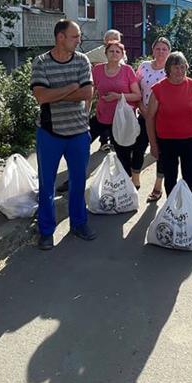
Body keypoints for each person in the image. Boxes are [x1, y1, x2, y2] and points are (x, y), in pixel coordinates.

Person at [30, 20, 97, 251]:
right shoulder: (41, 62)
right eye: (75, 36)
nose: (79, 40)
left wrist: (56, 92)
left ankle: (79, 223)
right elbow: (41, 97)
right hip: (50, 132)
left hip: (78, 132)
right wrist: (70, 88)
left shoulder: (82, 60)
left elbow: (87, 91)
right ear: (60, 37)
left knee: (78, 182)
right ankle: (46, 231)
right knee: (46, 184)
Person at [145, 52, 192, 195]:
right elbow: (149, 118)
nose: (180, 71)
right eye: (176, 67)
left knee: (190, 177)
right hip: (167, 141)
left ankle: (188, 206)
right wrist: (153, 145)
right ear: (168, 69)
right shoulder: (158, 89)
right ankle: (172, 208)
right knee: (170, 178)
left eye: (183, 67)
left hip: (191, 140)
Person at [91, 41, 141, 178]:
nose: (114, 54)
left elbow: (137, 95)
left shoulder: (127, 70)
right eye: (111, 51)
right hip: (102, 116)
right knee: (81, 145)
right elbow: (91, 92)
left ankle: (125, 183)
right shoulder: (97, 70)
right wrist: (85, 111)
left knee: (123, 153)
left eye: (117, 51)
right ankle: (74, 178)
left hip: (121, 119)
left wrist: (118, 96)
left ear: (122, 55)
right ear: (106, 53)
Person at [136, 37, 171, 202]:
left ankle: (158, 186)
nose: (161, 52)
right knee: (138, 147)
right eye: (158, 48)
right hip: (143, 114)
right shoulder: (143, 66)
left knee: (162, 152)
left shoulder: (172, 69)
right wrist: (141, 108)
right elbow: (135, 88)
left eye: (164, 49)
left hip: (163, 118)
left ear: (169, 52)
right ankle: (134, 182)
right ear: (153, 50)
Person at [88, 30, 123, 150]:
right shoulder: (99, 52)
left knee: (114, 120)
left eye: (117, 38)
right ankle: (104, 142)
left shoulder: (120, 51)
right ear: (105, 40)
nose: (115, 41)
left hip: (117, 92)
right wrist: (98, 65)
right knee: (102, 117)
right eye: (112, 38)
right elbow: (85, 58)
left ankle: (113, 143)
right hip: (103, 90)